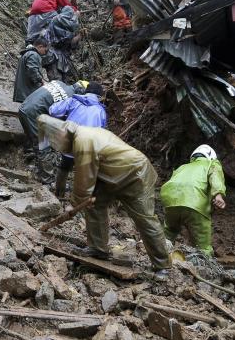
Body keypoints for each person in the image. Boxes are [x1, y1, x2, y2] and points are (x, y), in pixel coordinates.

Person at [37, 115, 171, 271]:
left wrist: (74, 204)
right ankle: (98, 248)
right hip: (112, 174)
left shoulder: (83, 141)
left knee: (144, 220)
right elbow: (90, 175)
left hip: (135, 175)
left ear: (62, 132)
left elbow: (84, 177)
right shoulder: (83, 134)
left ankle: (162, 265)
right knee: (95, 204)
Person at [159, 144, 227, 256]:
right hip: (195, 204)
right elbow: (215, 178)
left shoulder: (182, 167)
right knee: (202, 245)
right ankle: (206, 266)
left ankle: (160, 257)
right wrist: (218, 195)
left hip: (171, 203)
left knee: (168, 233)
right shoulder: (212, 164)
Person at [48, 83, 107, 197]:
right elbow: (102, 132)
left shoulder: (73, 101)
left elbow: (53, 110)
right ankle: (79, 200)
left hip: (70, 142)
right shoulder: (101, 111)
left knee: (64, 167)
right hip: (87, 146)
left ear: (85, 91)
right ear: (99, 96)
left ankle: (59, 194)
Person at [13, 36, 49, 102]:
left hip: (25, 90)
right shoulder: (34, 55)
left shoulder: (27, 53)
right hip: (28, 91)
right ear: (40, 46)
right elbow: (32, 71)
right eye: (45, 50)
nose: (45, 53)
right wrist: (41, 81)